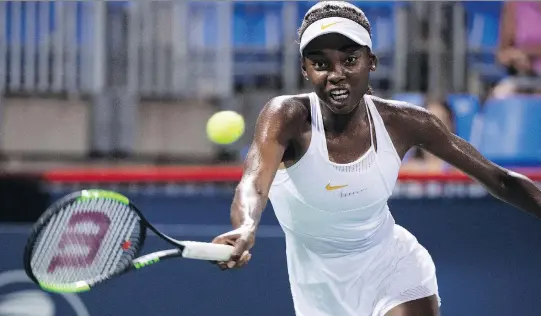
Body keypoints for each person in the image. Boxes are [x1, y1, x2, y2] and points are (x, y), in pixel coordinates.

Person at [211, 2, 541, 315]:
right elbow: (253, 183)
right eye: (320, 63)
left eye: (350, 60)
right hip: (318, 290)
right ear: (305, 69)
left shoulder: (406, 122)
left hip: (394, 269)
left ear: (372, 62)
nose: (336, 73)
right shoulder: (286, 116)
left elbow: (498, 179)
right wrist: (245, 226)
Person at [493, 2, 541, 98]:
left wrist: (525, 53)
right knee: (499, 94)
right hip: (522, 76)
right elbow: (503, 53)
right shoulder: (513, 5)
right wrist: (515, 57)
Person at [401, 96, 455, 173]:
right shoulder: (404, 172)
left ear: (450, 126)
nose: (434, 129)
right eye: (428, 122)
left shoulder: (460, 173)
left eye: (440, 121)